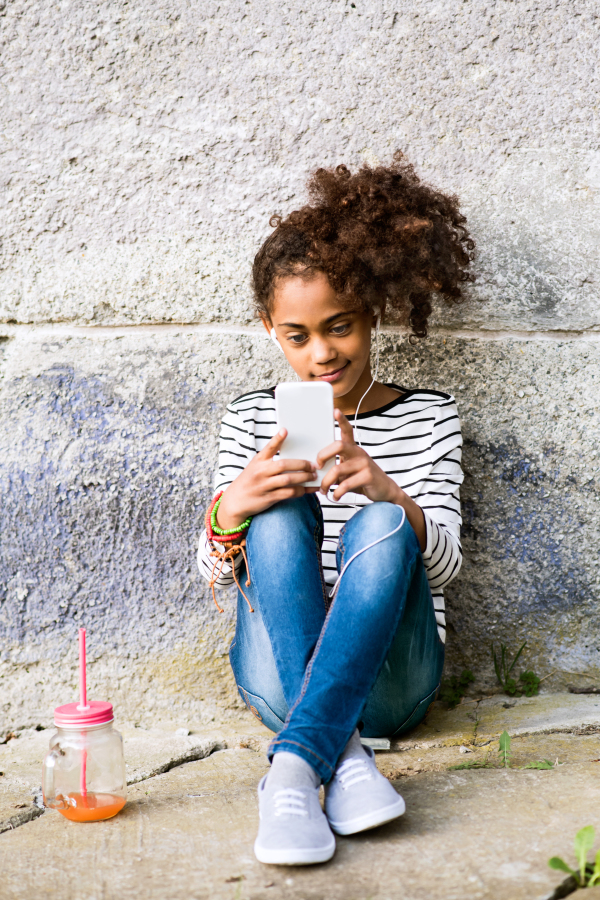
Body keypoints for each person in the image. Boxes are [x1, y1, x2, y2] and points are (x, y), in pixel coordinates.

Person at [197, 152, 474, 866]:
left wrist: (389, 492)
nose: (323, 352)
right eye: (299, 335)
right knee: (278, 514)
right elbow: (215, 575)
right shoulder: (249, 419)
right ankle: (339, 757)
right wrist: (235, 510)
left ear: (371, 313)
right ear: (270, 328)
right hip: (277, 677)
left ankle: (290, 771)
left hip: (394, 683)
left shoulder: (430, 418)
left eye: (341, 326)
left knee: (381, 523)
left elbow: (444, 569)